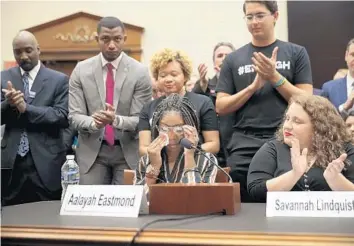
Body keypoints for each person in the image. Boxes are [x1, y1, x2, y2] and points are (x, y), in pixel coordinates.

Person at [215, 0, 313, 202]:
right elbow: (221, 106)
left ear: (275, 16)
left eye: (260, 15)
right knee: (243, 202)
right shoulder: (233, 59)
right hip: (244, 141)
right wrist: (253, 87)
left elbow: (307, 101)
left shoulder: (296, 52)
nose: (254, 22)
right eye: (249, 17)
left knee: (285, 199)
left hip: (285, 138)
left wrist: (274, 77)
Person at [69, 16, 152, 185]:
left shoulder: (140, 72)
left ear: (125, 39)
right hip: (92, 153)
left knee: (125, 209)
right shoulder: (80, 70)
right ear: (96, 39)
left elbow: (141, 119)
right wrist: (95, 123)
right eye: (105, 39)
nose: (112, 45)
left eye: (117, 39)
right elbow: (74, 116)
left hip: (127, 152)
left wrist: (115, 120)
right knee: (89, 209)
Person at [1, 31, 69, 206]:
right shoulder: (4, 78)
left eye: (28, 50)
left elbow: (61, 116)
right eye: (18, 52)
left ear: (38, 50)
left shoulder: (58, 80)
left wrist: (26, 108)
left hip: (46, 161)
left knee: (48, 220)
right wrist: (8, 104)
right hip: (11, 163)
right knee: (11, 222)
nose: (23, 56)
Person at [248, 95, 354, 202]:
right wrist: (294, 174)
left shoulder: (343, 150)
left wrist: (336, 180)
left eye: (297, 121)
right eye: (287, 118)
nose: (287, 126)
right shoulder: (273, 148)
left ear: (319, 127)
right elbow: (256, 191)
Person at [138, 48, 219, 156]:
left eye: (174, 74)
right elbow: (143, 148)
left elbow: (213, 144)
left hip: (195, 164)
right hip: (161, 166)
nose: (168, 79)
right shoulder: (148, 108)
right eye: (162, 75)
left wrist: (184, 152)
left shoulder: (203, 102)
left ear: (185, 76)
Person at [135, 94, 218, 192]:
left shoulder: (206, 160)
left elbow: (197, 199)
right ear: (157, 129)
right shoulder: (146, 160)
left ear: (191, 128)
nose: (171, 136)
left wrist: (189, 157)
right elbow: (139, 202)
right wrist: (154, 167)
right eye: (164, 129)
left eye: (179, 129)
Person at [193, 42, 236, 167]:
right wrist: (201, 85)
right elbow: (193, 102)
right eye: (220, 55)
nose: (224, 58)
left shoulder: (241, 84)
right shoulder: (206, 84)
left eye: (228, 55)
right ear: (213, 62)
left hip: (234, 143)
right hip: (213, 144)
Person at [321, 39, 354, 117]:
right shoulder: (329, 89)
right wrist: (344, 107)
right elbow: (322, 121)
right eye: (353, 55)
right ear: (346, 56)